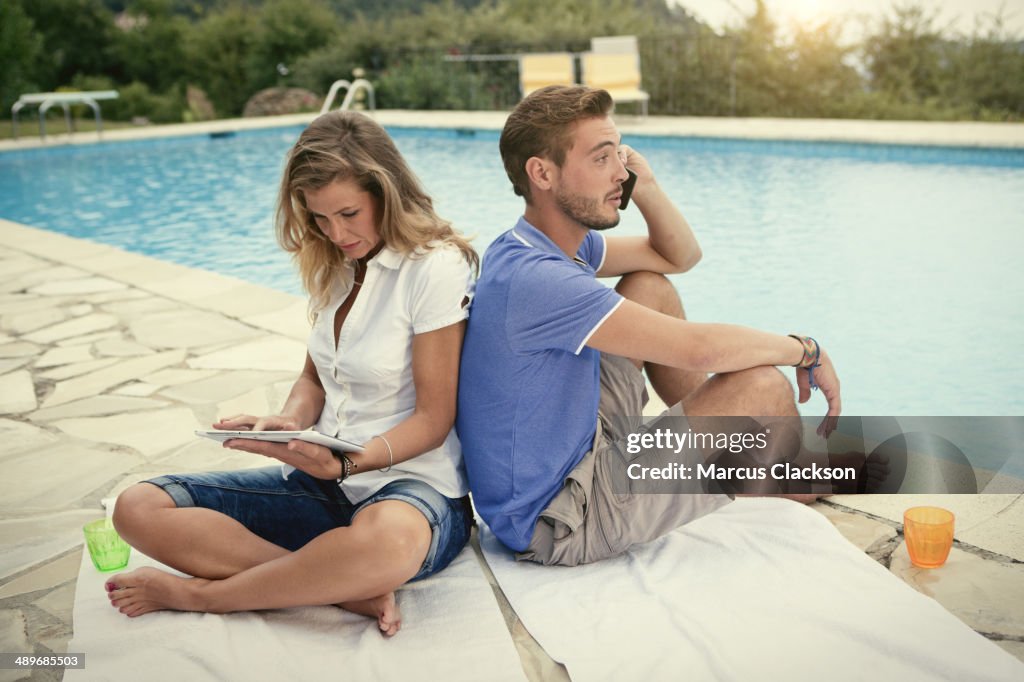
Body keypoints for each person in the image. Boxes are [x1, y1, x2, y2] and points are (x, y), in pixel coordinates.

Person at [108, 111, 478, 636]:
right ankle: (342, 588)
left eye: (349, 213)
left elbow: (434, 418)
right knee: (137, 508)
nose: (336, 232)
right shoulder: (335, 264)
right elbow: (313, 379)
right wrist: (288, 424)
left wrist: (347, 464)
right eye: (320, 219)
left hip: (413, 493)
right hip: (323, 486)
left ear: (386, 190)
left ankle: (204, 596)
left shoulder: (434, 266)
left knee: (384, 545)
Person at [457, 85, 849, 568]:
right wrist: (805, 350)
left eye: (619, 155)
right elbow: (699, 349)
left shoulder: (538, 244)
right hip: (560, 518)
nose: (621, 173)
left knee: (649, 285)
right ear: (541, 172)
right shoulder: (537, 279)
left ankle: (720, 448)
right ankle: (780, 478)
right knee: (762, 388)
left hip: (578, 445)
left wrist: (647, 187)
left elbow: (678, 257)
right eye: (602, 159)